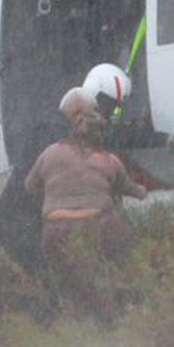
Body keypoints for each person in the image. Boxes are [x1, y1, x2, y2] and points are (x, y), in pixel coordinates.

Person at [23, 85, 147, 260]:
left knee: (61, 276)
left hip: (56, 232)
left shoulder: (49, 153)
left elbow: (29, 186)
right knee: (128, 252)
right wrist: (142, 190)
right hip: (99, 228)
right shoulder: (109, 161)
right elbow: (134, 191)